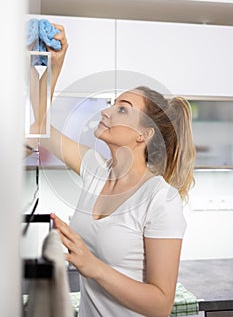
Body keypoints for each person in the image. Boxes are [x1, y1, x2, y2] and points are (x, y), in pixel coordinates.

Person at [30, 23, 196, 317]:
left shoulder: (161, 199)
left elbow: (160, 304)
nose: (106, 111)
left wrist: (93, 267)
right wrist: (51, 67)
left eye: (122, 108)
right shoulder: (95, 169)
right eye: (112, 104)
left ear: (143, 134)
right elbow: (41, 129)